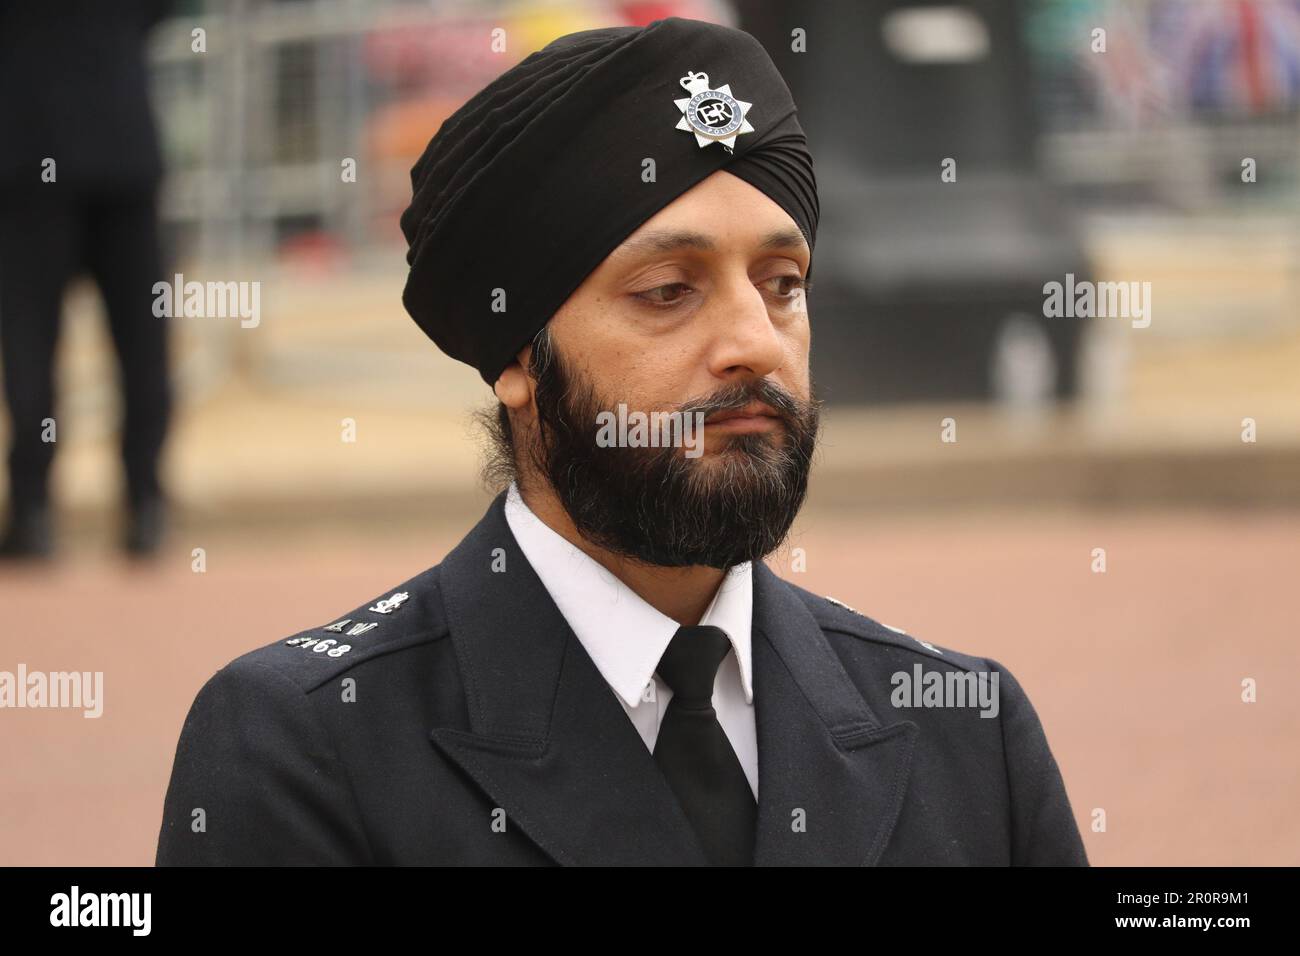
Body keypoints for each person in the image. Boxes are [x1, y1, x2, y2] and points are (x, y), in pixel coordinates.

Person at [156, 16, 1088, 866]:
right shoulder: (304, 747)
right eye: (667, 291)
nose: (755, 344)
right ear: (518, 354)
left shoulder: (966, 728)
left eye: (782, 283)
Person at [0, 1, 174, 559]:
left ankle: (32, 513)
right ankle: (145, 505)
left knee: (30, 343)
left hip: (30, 153)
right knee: (142, 344)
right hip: (119, 142)